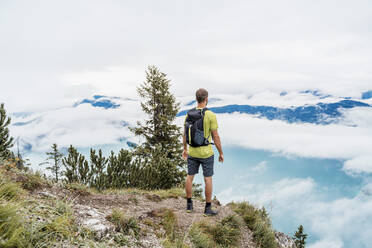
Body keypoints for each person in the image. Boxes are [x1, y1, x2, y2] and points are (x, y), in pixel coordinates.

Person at [182, 88, 224, 216]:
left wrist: (185, 149)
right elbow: (215, 136)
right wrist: (221, 153)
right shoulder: (211, 115)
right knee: (208, 179)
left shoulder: (188, 114)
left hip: (192, 152)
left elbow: (184, 134)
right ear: (206, 99)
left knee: (190, 177)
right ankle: (207, 209)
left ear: (196, 99)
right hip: (206, 153)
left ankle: (189, 205)